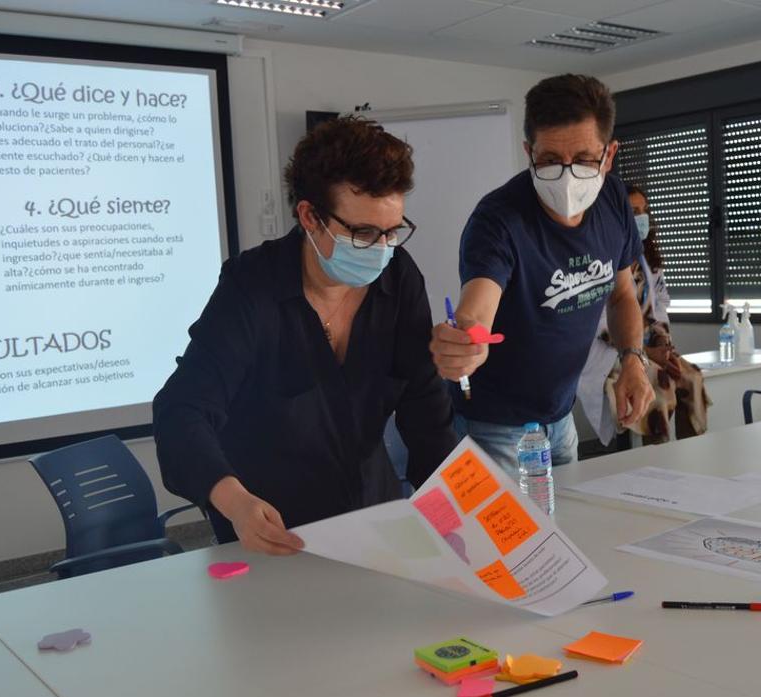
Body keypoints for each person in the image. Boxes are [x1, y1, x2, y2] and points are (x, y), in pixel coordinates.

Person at [153, 116, 457, 555]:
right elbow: (181, 412)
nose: (382, 248)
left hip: (373, 515)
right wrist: (234, 502)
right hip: (272, 529)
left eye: (392, 231)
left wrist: (453, 510)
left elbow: (425, 405)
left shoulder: (399, 278)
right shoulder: (252, 287)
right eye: (364, 233)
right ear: (310, 216)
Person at [429, 74, 654, 472]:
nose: (567, 177)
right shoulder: (498, 219)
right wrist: (465, 340)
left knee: (565, 528)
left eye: (584, 160)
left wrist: (632, 360)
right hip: (493, 425)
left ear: (609, 154)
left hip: (560, 416)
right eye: (550, 161)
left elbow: (621, 295)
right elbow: (477, 307)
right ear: (528, 152)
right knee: (505, 535)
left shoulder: (614, 201)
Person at [578, 184, 710, 448]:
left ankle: (693, 450)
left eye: (645, 210)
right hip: (610, 351)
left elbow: (659, 306)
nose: (642, 217)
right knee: (658, 392)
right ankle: (654, 463)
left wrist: (663, 345)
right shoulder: (597, 260)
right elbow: (599, 321)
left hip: (648, 347)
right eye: (634, 210)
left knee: (692, 378)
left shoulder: (646, 260)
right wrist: (645, 353)